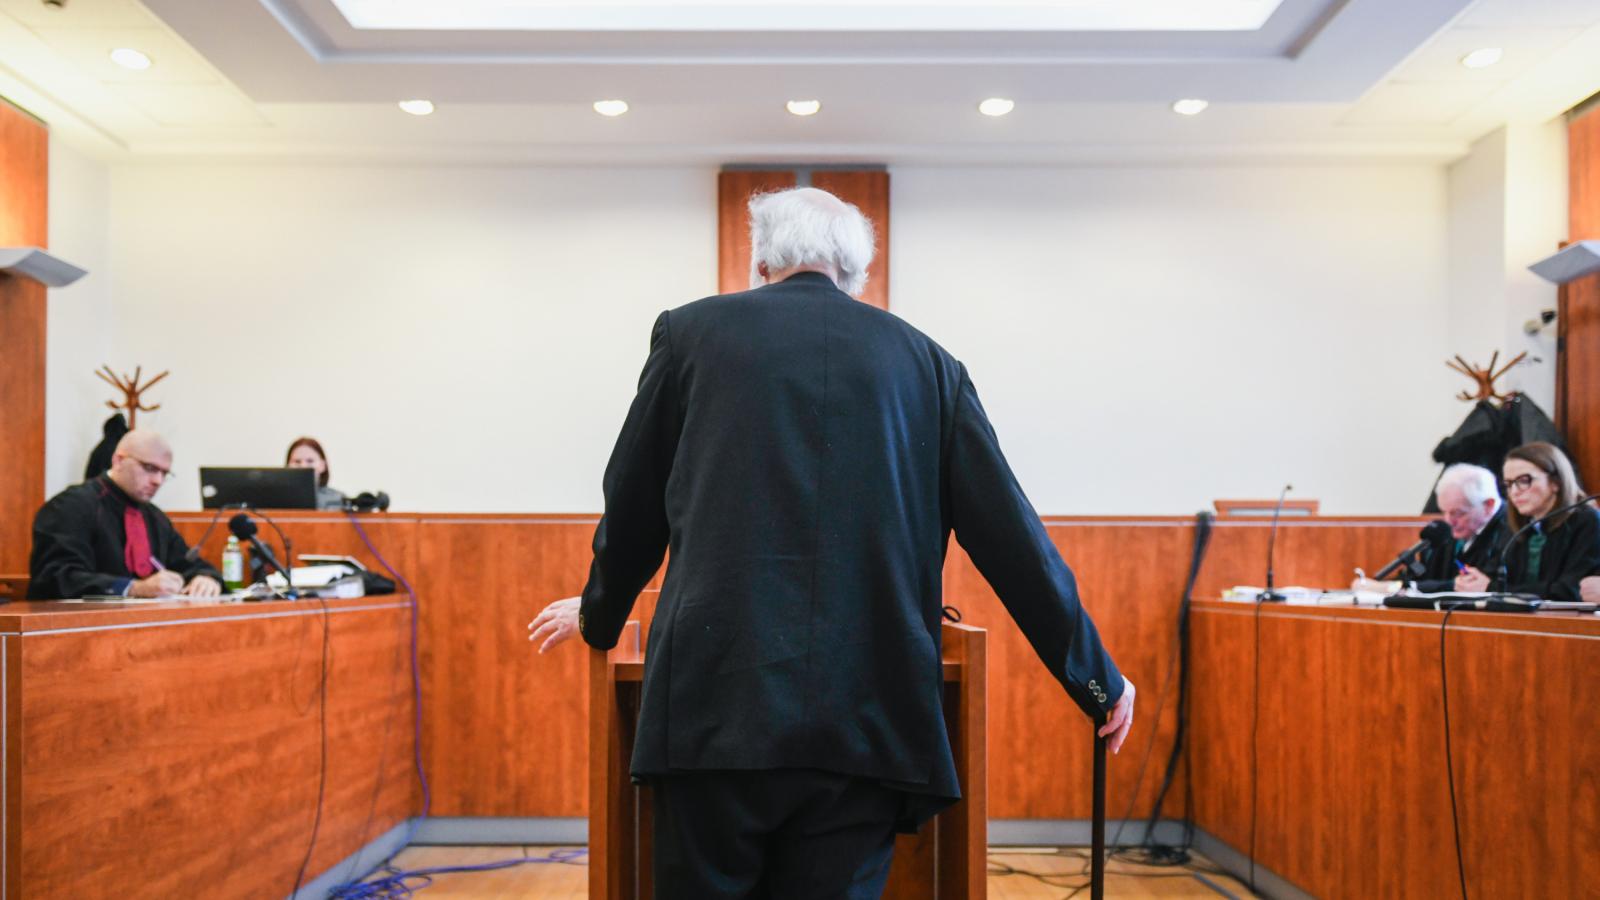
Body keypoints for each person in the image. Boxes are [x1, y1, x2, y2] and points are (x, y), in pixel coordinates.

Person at [526, 187, 1134, 898]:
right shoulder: (930, 366)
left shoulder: (690, 335)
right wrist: (1095, 678)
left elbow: (633, 502)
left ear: (761, 262)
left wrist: (600, 615)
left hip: (713, 709)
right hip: (866, 719)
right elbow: (1012, 540)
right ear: (856, 271)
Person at [28, 430, 222, 600]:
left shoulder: (156, 518)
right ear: (118, 460)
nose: (158, 480)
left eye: (164, 473)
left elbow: (188, 563)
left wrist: (206, 578)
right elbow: (55, 577)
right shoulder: (70, 506)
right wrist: (134, 588)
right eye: (150, 468)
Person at [1455, 442, 1600, 601]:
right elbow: (1494, 576)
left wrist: (1491, 588)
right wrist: (1473, 581)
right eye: (1508, 484)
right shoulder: (1516, 526)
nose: (1514, 492)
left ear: (1556, 482)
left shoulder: (1588, 521)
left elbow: (1571, 589)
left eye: (1524, 481)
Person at [1353, 464, 1506, 594]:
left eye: (1457, 513)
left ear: (1488, 505)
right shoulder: (1448, 533)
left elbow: (1468, 586)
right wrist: (1385, 587)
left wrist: (1393, 588)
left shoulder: (1508, 533)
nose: (1449, 521)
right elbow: (1422, 577)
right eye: (1444, 512)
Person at [286, 437, 347, 511]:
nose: (303, 466)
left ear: (322, 465)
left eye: (310, 461)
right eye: (297, 461)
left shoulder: (339, 500)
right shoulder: (278, 499)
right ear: (287, 466)